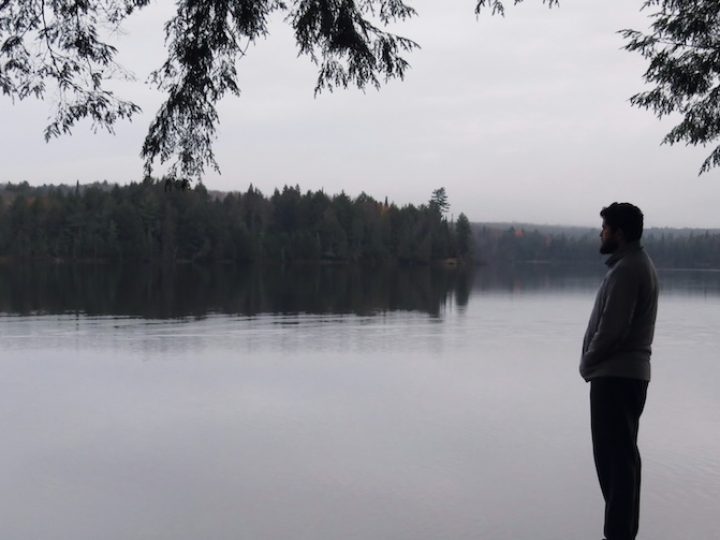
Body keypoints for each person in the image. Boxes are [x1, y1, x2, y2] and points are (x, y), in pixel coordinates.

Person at [580, 202, 659, 540]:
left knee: (615, 462)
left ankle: (617, 535)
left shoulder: (628, 270)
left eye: (606, 228)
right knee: (622, 460)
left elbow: (613, 330)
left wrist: (588, 361)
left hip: (615, 377)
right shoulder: (630, 265)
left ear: (620, 234)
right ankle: (622, 533)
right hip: (623, 376)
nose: (601, 233)